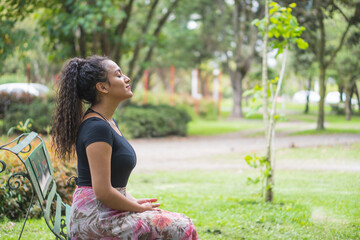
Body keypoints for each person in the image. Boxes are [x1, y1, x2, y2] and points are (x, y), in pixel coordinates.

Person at [52, 55, 199, 240]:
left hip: (104, 211)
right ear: (103, 87)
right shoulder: (96, 128)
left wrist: (133, 201)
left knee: (181, 222)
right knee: (182, 227)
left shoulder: (106, 122)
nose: (127, 78)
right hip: (96, 219)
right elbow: (103, 191)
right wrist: (138, 208)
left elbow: (111, 184)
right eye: (119, 75)